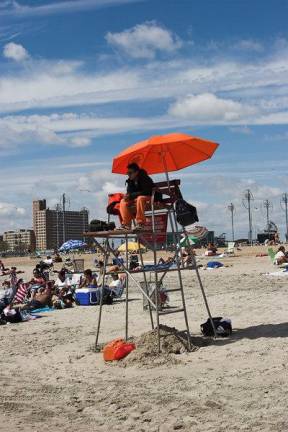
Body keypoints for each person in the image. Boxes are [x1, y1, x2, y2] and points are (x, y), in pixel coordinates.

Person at [119, 163, 158, 231]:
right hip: (138, 199)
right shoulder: (130, 181)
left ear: (136, 172)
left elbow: (147, 192)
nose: (128, 174)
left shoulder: (145, 178)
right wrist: (127, 196)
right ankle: (126, 224)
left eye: (130, 173)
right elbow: (130, 193)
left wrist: (131, 195)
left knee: (140, 198)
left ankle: (140, 223)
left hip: (150, 197)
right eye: (127, 173)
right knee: (123, 201)